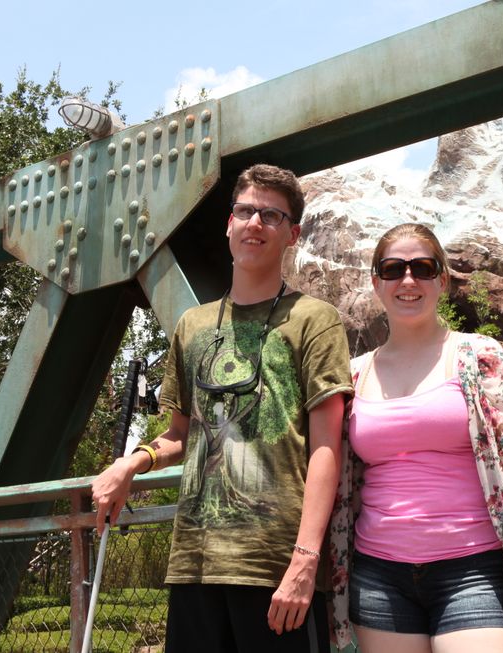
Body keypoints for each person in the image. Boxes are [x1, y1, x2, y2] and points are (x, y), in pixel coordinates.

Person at [91, 164, 352, 653]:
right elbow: (180, 434)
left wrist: (305, 560)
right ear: (229, 223)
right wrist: (131, 463)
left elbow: (326, 449)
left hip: (275, 571)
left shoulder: (315, 320)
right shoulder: (192, 325)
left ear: (292, 234)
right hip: (194, 565)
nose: (255, 223)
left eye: (272, 216)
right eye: (245, 211)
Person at [328, 223, 503, 652]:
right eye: (393, 269)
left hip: (473, 571)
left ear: (442, 279)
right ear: (376, 283)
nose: (408, 280)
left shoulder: (481, 356)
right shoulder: (354, 375)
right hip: (379, 576)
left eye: (422, 267)